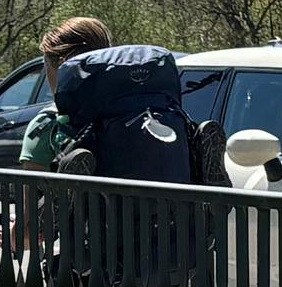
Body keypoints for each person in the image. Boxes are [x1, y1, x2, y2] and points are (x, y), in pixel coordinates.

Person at [21, 15, 191, 182]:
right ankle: (197, 147)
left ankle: (64, 189)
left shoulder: (47, 124)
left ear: (58, 65)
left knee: (47, 201)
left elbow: (31, 205)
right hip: (167, 206)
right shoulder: (151, 107)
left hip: (98, 208)